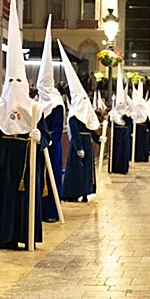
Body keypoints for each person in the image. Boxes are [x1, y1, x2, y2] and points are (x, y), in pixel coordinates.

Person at [0, 0, 46, 250]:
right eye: (10, 82)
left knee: (26, 198)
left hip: (27, 158)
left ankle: (27, 235)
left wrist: (39, 137)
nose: (14, 86)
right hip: (6, 160)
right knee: (7, 198)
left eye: (18, 82)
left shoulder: (36, 110)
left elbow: (45, 136)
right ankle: (6, 237)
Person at [59, 41, 100, 202]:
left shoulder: (85, 115)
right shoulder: (74, 117)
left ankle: (85, 192)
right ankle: (73, 193)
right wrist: (78, 148)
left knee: (87, 171)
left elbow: (90, 128)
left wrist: (98, 138)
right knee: (77, 170)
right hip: (80, 147)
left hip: (87, 144)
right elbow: (75, 134)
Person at [35, 20, 65, 221]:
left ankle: (52, 211)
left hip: (52, 146)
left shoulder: (57, 103)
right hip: (40, 145)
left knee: (51, 175)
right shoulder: (37, 102)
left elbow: (57, 127)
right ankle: (39, 210)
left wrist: (49, 140)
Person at [108, 86, 133, 174]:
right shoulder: (113, 112)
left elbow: (129, 123)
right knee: (115, 150)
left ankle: (123, 168)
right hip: (116, 133)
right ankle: (114, 167)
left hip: (124, 133)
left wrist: (125, 117)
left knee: (124, 151)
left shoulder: (128, 113)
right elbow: (110, 123)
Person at [133, 84, 150, 162]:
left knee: (142, 144)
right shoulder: (135, 106)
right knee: (138, 144)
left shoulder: (144, 107)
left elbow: (147, 117)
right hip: (138, 128)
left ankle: (143, 157)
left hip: (142, 128)